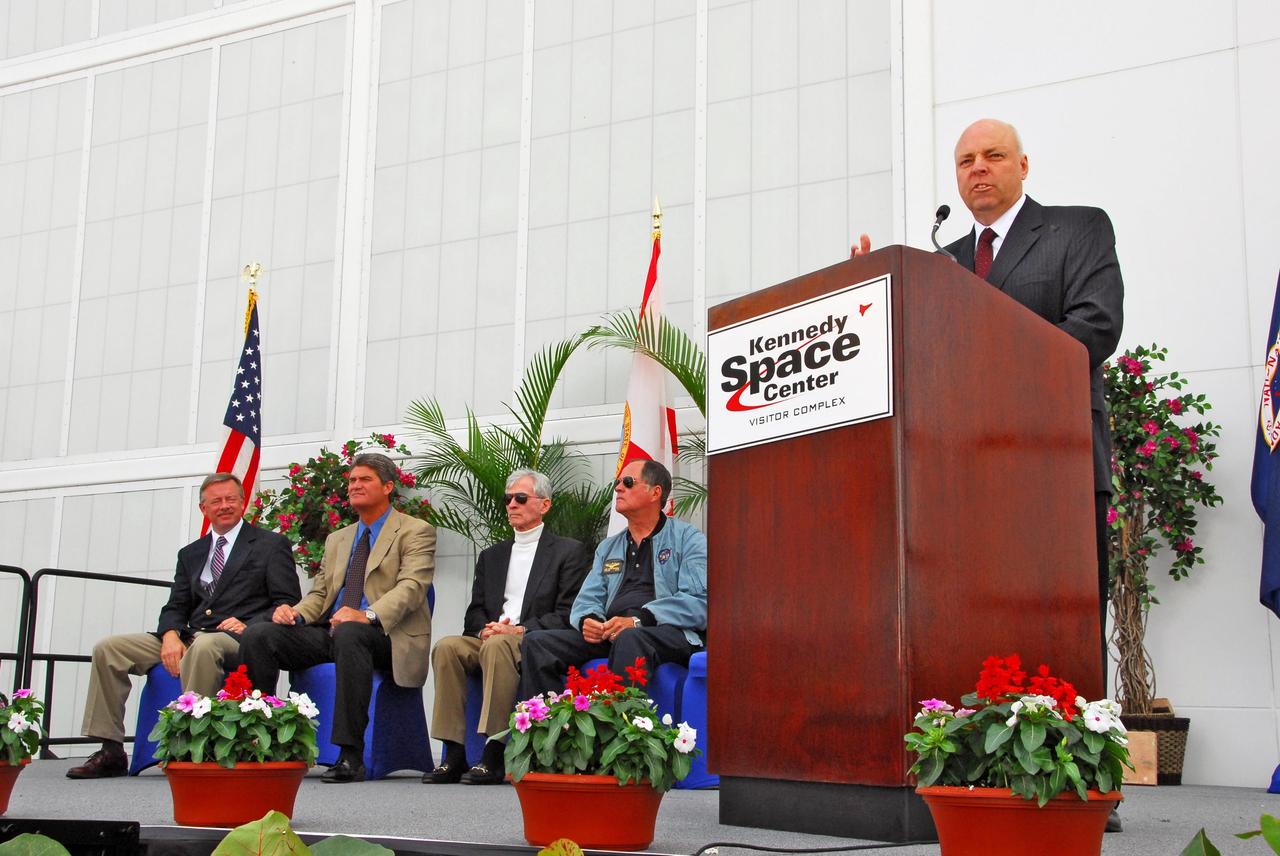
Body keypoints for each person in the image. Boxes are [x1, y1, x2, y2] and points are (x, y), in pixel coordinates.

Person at [66, 473, 299, 779]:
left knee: (204, 646)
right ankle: (110, 750)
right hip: (191, 633)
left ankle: (193, 745)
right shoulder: (191, 554)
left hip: (240, 638)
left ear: (244, 503)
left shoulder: (270, 544)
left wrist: (250, 623)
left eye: (231, 499)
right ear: (203, 508)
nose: (225, 506)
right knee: (109, 648)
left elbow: (287, 601)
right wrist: (170, 635)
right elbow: (176, 606)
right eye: (216, 501)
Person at [239, 452, 436, 784]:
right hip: (332, 632)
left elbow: (412, 588)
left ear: (388, 487)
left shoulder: (415, 531)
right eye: (352, 481)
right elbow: (320, 594)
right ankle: (260, 738)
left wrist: (366, 614)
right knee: (260, 634)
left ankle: (350, 754)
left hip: (387, 636)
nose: (355, 485)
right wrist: (295, 614)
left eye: (365, 479)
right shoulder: (338, 538)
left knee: (350, 633)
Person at [423, 469, 591, 785]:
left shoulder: (568, 551)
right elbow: (474, 612)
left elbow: (568, 613)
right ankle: (453, 752)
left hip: (529, 638)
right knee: (447, 646)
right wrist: (481, 631)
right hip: (491, 638)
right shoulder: (492, 556)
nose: (512, 504)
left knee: (499, 645)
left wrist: (519, 630)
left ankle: (494, 751)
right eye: (508, 499)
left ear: (544, 505)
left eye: (521, 498)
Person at [518, 460, 707, 702]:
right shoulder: (608, 548)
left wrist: (640, 620)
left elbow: (699, 601)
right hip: (612, 632)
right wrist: (591, 621)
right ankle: (546, 731)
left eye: (627, 483)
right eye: (616, 483)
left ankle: (620, 734)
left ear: (655, 492)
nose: (618, 488)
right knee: (536, 642)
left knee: (631, 637)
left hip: (666, 633)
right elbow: (588, 599)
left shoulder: (687, 538)